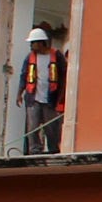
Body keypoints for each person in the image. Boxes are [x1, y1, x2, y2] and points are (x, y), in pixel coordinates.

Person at [16, 26, 66, 154]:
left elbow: (65, 74)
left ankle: (53, 149)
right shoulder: (29, 58)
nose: (31, 46)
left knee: (51, 127)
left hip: (51, 98)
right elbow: (24, 75)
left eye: (33, 43)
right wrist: (19, 93)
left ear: (41, 43)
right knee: (32, 126)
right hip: (33, 98)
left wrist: (62, 95)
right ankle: (35, 150)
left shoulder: (56, 56)